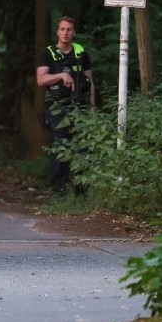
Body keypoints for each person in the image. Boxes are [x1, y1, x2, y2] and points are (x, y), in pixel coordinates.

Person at [36, 15, 95, 196]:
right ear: (57, 32)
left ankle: (81, 191)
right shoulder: (48, 53)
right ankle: (59, 191)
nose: (65, 33)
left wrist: (92, 106)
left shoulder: (81, 53)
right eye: (62, 29)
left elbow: (90, 81)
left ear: (74, 32)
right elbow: (41, 79)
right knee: (60, 147)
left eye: (69, 29)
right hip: (57, 107)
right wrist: (61, 76)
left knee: (82, 148)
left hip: (80, 107)